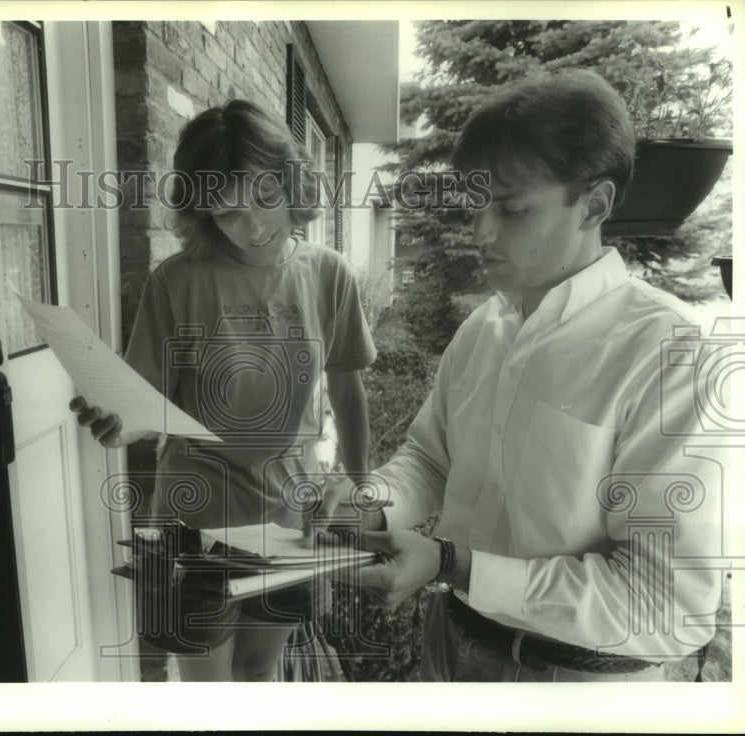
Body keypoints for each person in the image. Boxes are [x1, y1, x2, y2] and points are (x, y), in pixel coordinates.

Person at [322, 68, 723, 682]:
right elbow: (431, 461)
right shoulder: (485, 327)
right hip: (449, 645)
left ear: (594, 204)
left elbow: (665, 601)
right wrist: (367, 503)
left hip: (581, 689)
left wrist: (452, 565)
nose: (480, 232)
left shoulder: (672, 353)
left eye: (509, 209)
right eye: (474, 205)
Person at [71, 99, 376, 681]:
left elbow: (347, 386)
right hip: (194, 521)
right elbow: (145, 405)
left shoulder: (330, 273)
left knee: (260, 673)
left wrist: (362, 487)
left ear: (291, 180)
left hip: (293, 515)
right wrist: (118, 422)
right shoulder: (177, 281)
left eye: (265, 198)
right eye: (229, 213)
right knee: (206, 694)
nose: (254, 226)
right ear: (203, 213)